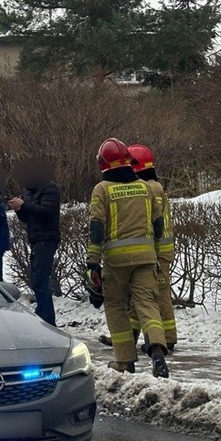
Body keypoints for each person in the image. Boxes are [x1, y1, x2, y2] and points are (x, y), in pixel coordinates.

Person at [86, 138, 169, 378]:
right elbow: (158, 223)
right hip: (146, 258)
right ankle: (156, 350)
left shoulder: (102, 190)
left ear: (103, 164)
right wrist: (153, 251)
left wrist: (93, 261)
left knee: (115, 305)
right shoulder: (145, 187)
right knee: (147, 303)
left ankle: (124, 361)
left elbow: (97, 227)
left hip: (116, 261)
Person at [100, 144, 177, 352]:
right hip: (154, 249)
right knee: (141, 297)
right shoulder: (152, 185)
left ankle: (166, 338)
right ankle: (131, 337)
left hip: (157, 251)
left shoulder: (149, 188)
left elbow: (154, 222)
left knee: (157, 296)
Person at [7, 158, 60, 325]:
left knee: (40, 280)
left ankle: (46, 319)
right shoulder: (31, 191)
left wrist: (25, 205)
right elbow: (29, 217)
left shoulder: (50, 188)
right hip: (36, 238)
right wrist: (19, 209)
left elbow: (46, 212)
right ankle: (44, 316)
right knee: (36, 279)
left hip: (47, 238)